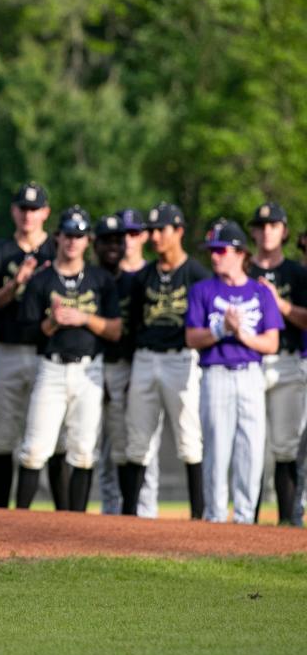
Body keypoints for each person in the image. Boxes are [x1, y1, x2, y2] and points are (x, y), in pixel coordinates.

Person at [15, 207, 121, 512]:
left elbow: (115, 330)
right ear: (57, 236)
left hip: (89, 369)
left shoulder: (100, 280)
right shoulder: (42, 280)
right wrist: (53, 322)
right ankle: (15, 524)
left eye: (79, 235)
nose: (72, 241)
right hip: (52, 367)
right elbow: (27, 332)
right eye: (67, 235)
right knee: (35, 449)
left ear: (87, 240)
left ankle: (77, 526)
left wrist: (83, 317)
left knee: (84, 451)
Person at [185, 219, 282, 523]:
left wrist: (241, 334)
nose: (214, 256)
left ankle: (245, 520)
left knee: (251, 450)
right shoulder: (202, 289)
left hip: (251, 374)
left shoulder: (260, 291)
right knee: (216, 449)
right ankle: (215, 519)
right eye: (211, 251)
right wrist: (220, 328)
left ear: (240, 253)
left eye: (220, 249)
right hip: (216, 374)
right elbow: (191, 337)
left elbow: (271, 342)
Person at [121, 202, 210, 518]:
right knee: (137, 441)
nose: (155, 236)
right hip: (145, 358)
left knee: (189, 439)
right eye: (152, 230)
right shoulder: (144, 276)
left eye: (162, 229)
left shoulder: (197, 274)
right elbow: (132, 324)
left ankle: (198, 516)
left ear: (179, 232)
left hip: (182, 360)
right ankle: (130, 516)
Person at [0, 183, 57, 508]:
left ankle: (62, 515)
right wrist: (17, 282)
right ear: (14, 211)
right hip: (7, 350)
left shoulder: (57, 249)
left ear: (45, 212)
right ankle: (1, 514)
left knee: (50, 435)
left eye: (34, 208)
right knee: (2, 435)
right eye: (23, 208)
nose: (28, 215)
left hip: (47, 351)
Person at [95, 213, 161, 517]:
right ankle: (112, 512)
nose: (126, 241)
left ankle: (144, 513)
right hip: (97, 367)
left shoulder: (144, 279)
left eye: (133, 234)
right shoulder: (98, 278)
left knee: (139, 445)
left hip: (131, 366)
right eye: (124, 235)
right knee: (105, 451)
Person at [247, 202, 307, 525]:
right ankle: (248, 521)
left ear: (283, 231)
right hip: (251, 363)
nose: (267, 231)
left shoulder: (297, 274)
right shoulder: (244, 270)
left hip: (286, 362)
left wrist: (280, 304)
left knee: (285, 445)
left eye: (274, 225)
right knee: (252, 444)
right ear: (253, 231)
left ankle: (286, 524)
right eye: (261, 225)